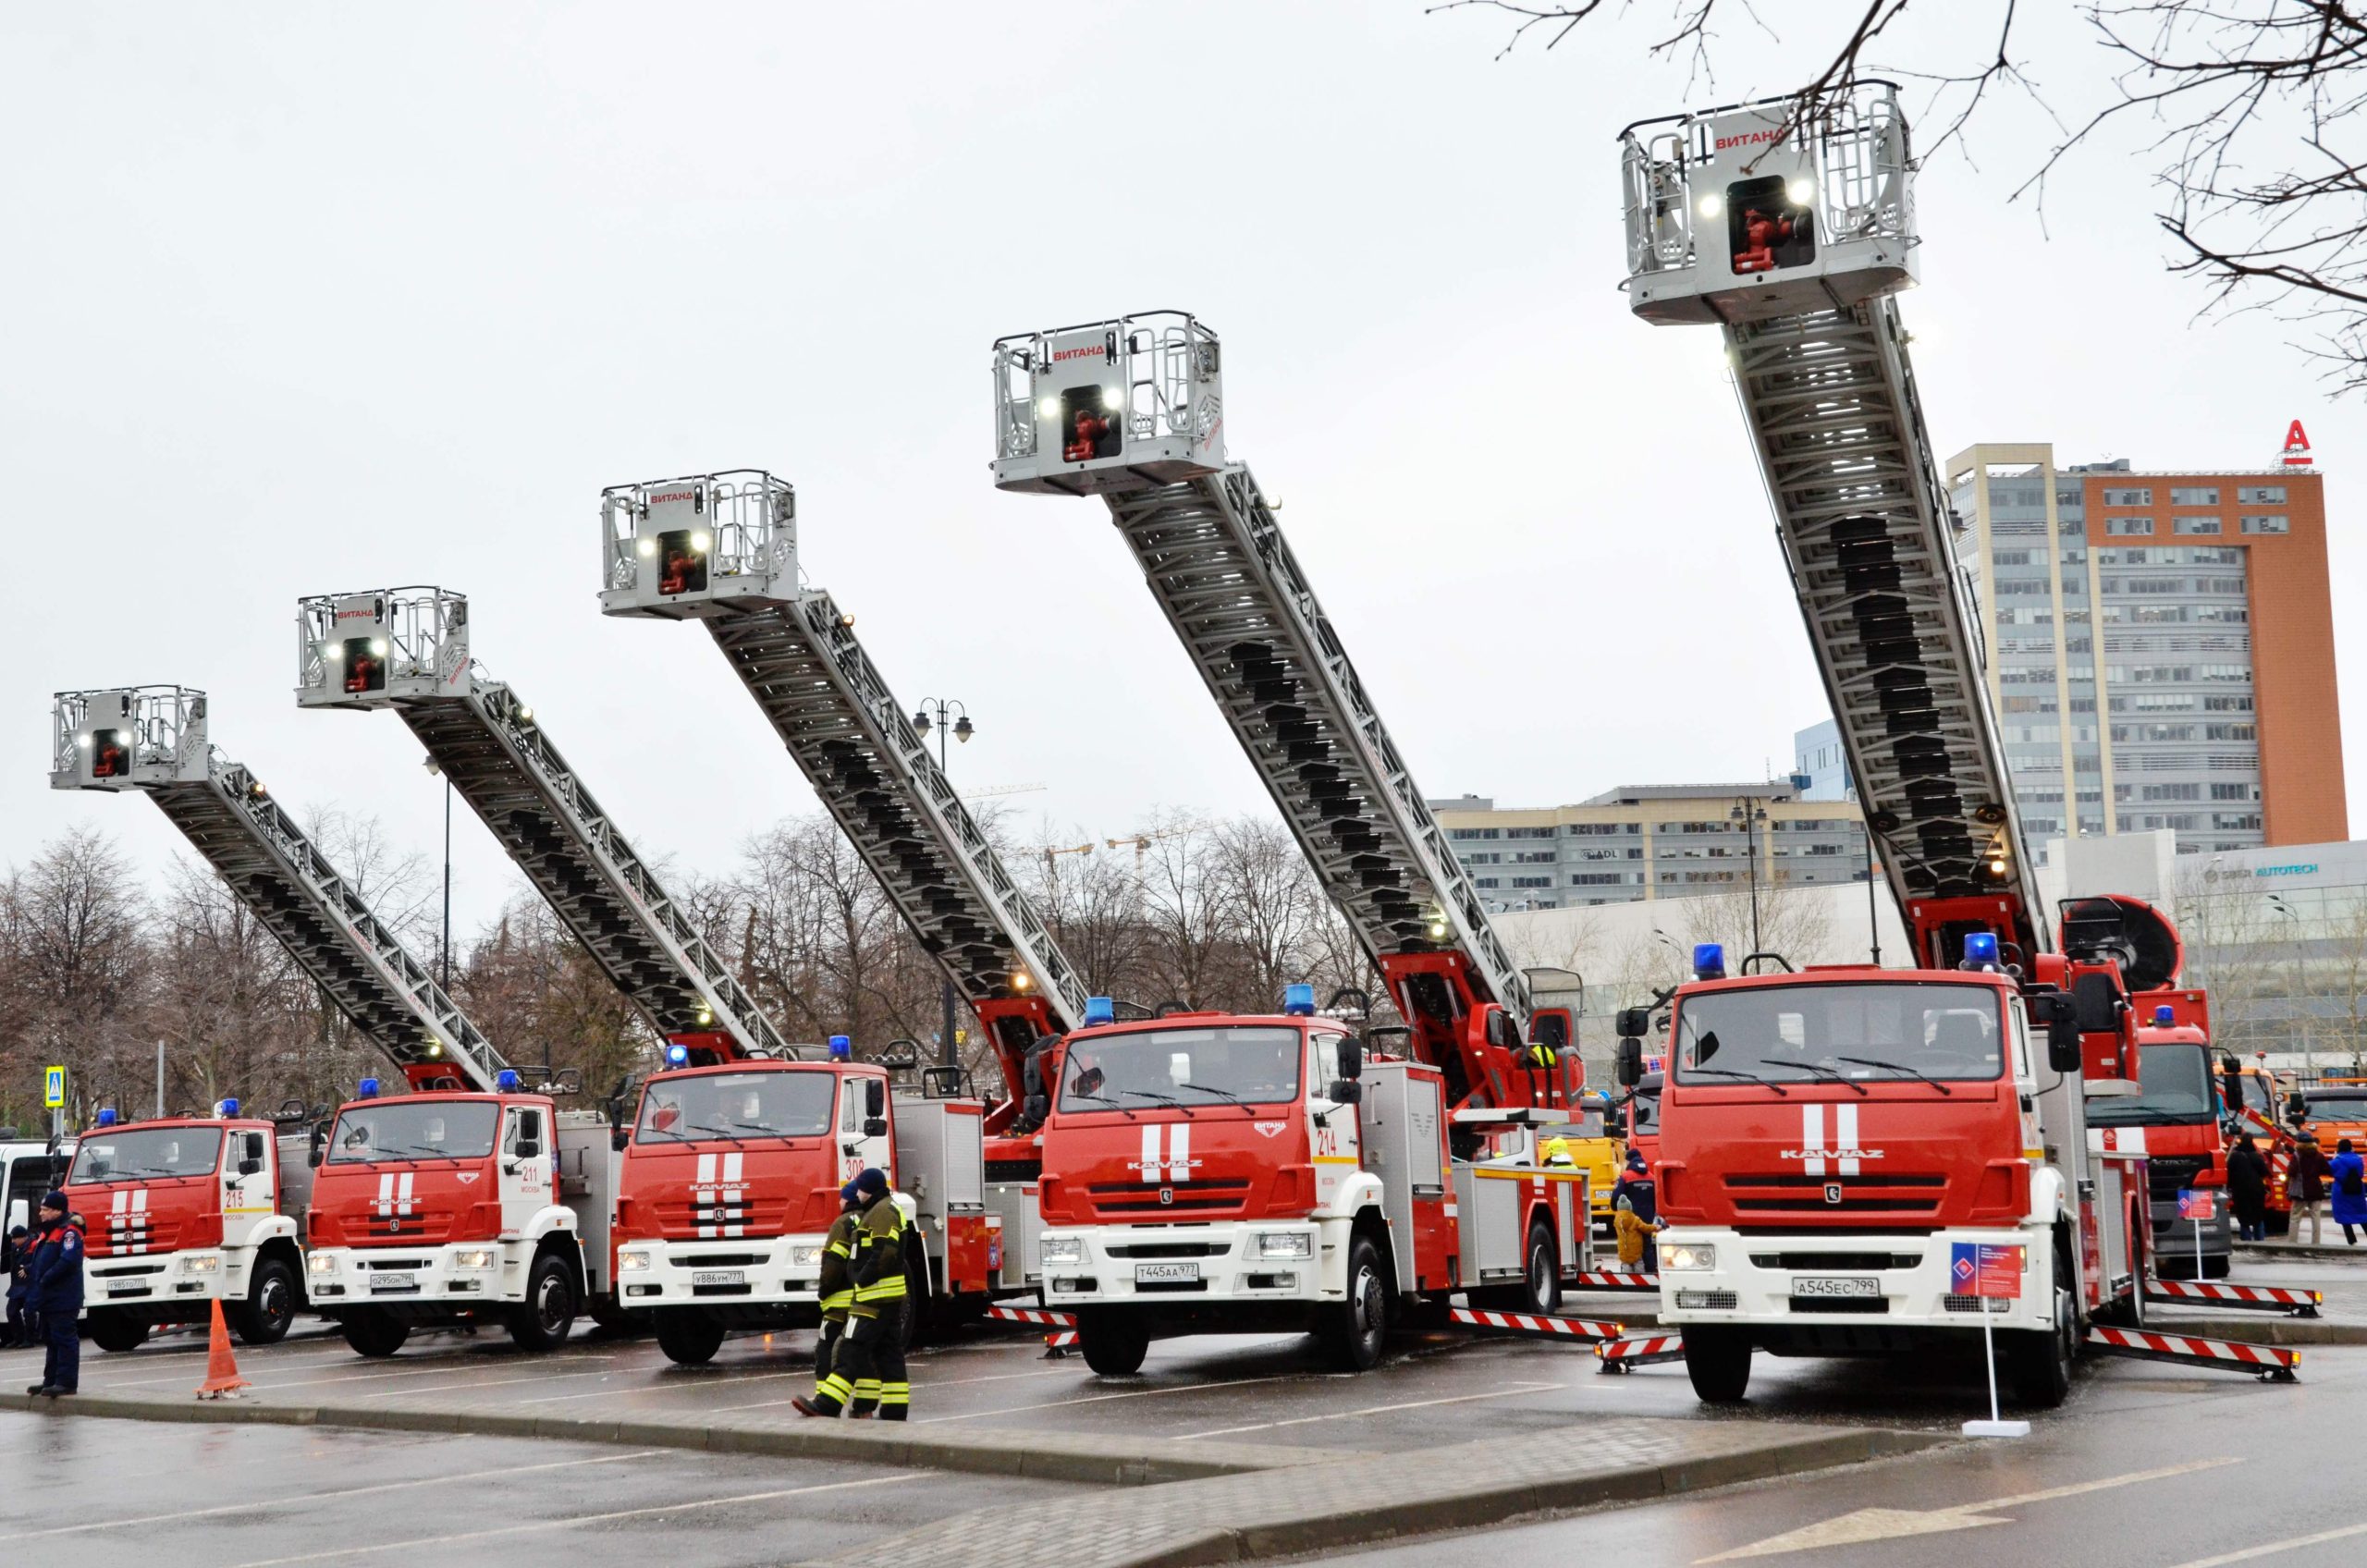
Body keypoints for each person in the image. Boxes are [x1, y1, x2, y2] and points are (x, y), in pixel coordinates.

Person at [792, 1169, 909, 1420]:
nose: (856, 1193)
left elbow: (884, 1253)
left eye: (860, 1189)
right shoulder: (879, 1210)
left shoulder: (882, 1212)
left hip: (873, 1298)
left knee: (850, 1349)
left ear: (869, 1189)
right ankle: (894, 1409)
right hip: (884, 1298)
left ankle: (827, 1405)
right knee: (888, 1354)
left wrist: (862, 1278)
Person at [802, 1182, 863, 1414]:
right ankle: (863, 1406)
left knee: (826, 1349)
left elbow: (833, 1265)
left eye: (840, 1199)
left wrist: (823, 1290)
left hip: (838, 1302)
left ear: (847, 1200)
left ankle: (823, 1400)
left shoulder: (842, 1223)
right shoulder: (870, 1218)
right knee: (863, 1354)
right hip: (863, 1300)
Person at [25, 1193, 84, 1397]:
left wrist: (45, 1278)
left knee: (64, 1339)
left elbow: (68, 1261)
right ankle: (51, 1381)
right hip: (49, 1298)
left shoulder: (69, 1232)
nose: (40, 1213)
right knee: (50, 1339)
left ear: (58, 1211)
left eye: (45, 1209)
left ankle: (66, 1383)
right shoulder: (48, 1233)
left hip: (63, 1297)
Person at [1611, 1151, 1660, 1272]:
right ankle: (1650, 1270)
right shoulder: (1651, 1176)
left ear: (1629, 1160)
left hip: (1631, 1217)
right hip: (1648, 1215)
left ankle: (1630, 1271)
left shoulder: (1626, 1176)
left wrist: (1616, 1208)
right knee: (1647, 1244)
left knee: (1630, 1243)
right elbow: (1657, 1197)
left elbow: (1616, 1196)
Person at [2291, 1132, 2334, 1246]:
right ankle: (2316, 1243)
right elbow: (2327, 1170)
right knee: (2315, 1217)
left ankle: (2292, 1243)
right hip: (2315, 1189)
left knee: (2295, 1217)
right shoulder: (2319, 1155)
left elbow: (2291, 1171)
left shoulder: (2297, 1155)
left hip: (2300, 1190)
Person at [2226, 1134, 2271, 1242]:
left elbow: (2229, 1173)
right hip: (2256, 1189)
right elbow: (2265, 1172)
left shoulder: (2234, 1156)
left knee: (2243, 1216)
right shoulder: (2256, 1156)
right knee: (2258, 1216)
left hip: (2240, 1190)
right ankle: (2260, 1241)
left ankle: (2246, 1241)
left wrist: (2229, 1187)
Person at [2330, 1138, 2367, 1247]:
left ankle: (2352, 1241)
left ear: (2339, 1148)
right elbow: (2360, 1173)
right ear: (2351, 1147)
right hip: (2357, 1190)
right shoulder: (2358, 1160)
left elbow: (2329, 1170)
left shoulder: (2336, 1162)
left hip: (2341, 1192)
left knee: (2344, 1216)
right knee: (2362, 1215)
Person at [3, 1224, 30, 1349]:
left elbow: (39, 1262)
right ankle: (18, 1338)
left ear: (23, 1238)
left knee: (29, 1313)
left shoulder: (32, 1247)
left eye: (15, 1239)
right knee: (11, 1311)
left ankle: (29, 1339)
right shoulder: (15, 1248)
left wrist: (28, 1269)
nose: (13, 1241)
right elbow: (7, 1261)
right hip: (17, 1286)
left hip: (29, 1285)